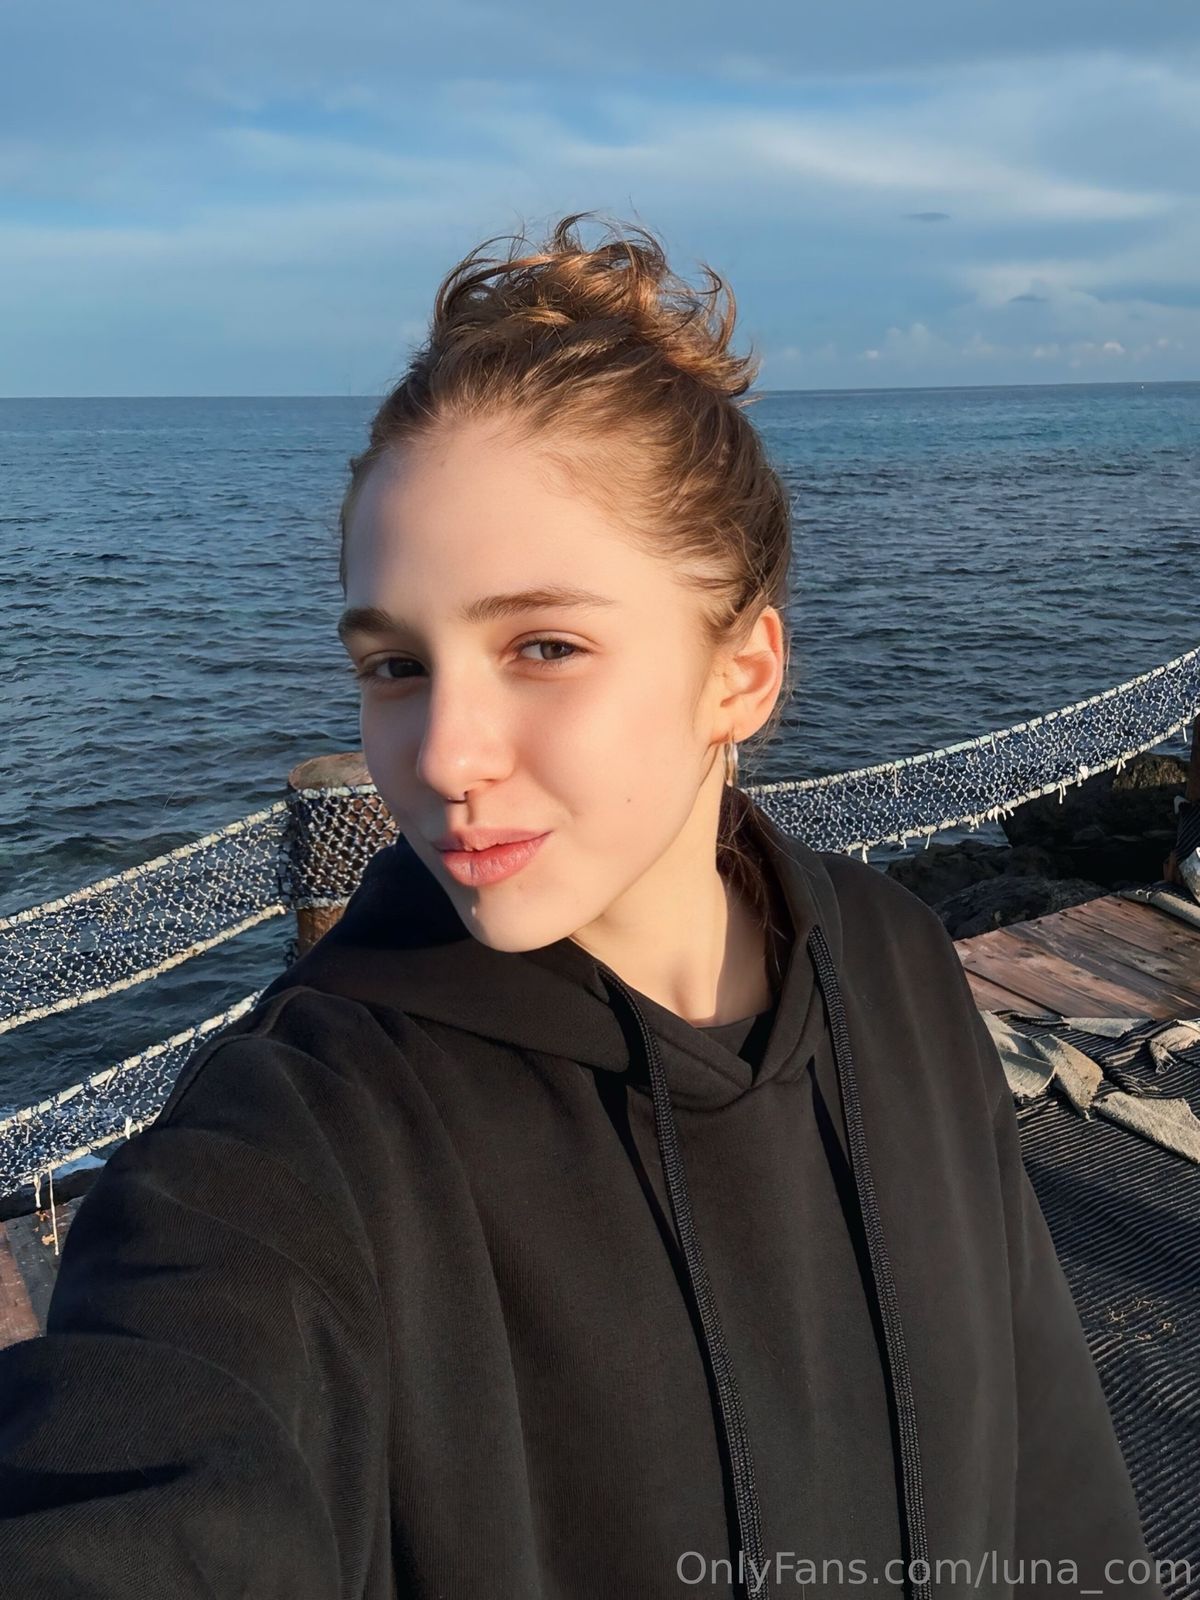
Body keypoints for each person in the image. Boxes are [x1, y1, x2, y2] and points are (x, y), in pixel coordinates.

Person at [0, 212, 1164, 1600]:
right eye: (394, 667)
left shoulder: (898, 965)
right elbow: (153, 1460)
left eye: (544, 645)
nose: (442, 756)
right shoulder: (298, 1145)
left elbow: (1055, 1475)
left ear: (739, 674)